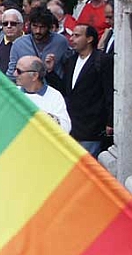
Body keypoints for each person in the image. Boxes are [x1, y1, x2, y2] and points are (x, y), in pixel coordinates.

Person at [46, 25, 113, 157]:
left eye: (77, 36)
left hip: (92, 127)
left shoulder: (102, 60)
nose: (72, 39)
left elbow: (109, 92)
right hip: (73, 125)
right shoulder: (71, 61)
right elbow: (65, 90)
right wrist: (50, 72)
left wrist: (110, 121)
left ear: (89, 39)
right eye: (72, 35)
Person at [6, 6, 69, 81]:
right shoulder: (19, 44)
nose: (38, 31)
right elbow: (11, 73)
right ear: (30, 25)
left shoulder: (61, 42)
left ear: (49, 27)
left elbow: (68, 68)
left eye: (42, 27)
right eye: (35, 26)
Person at [14, 55, 71, 133]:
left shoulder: (54, 96)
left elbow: (65, 128)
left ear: (34, 76)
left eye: (19, 71)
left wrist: (40, 116)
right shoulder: (13, 93)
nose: (14, 74)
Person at [0, 8, 24, 74]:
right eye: (5, 24)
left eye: (13, 23)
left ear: (21, 25)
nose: (9, 26)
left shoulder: (28, 43)